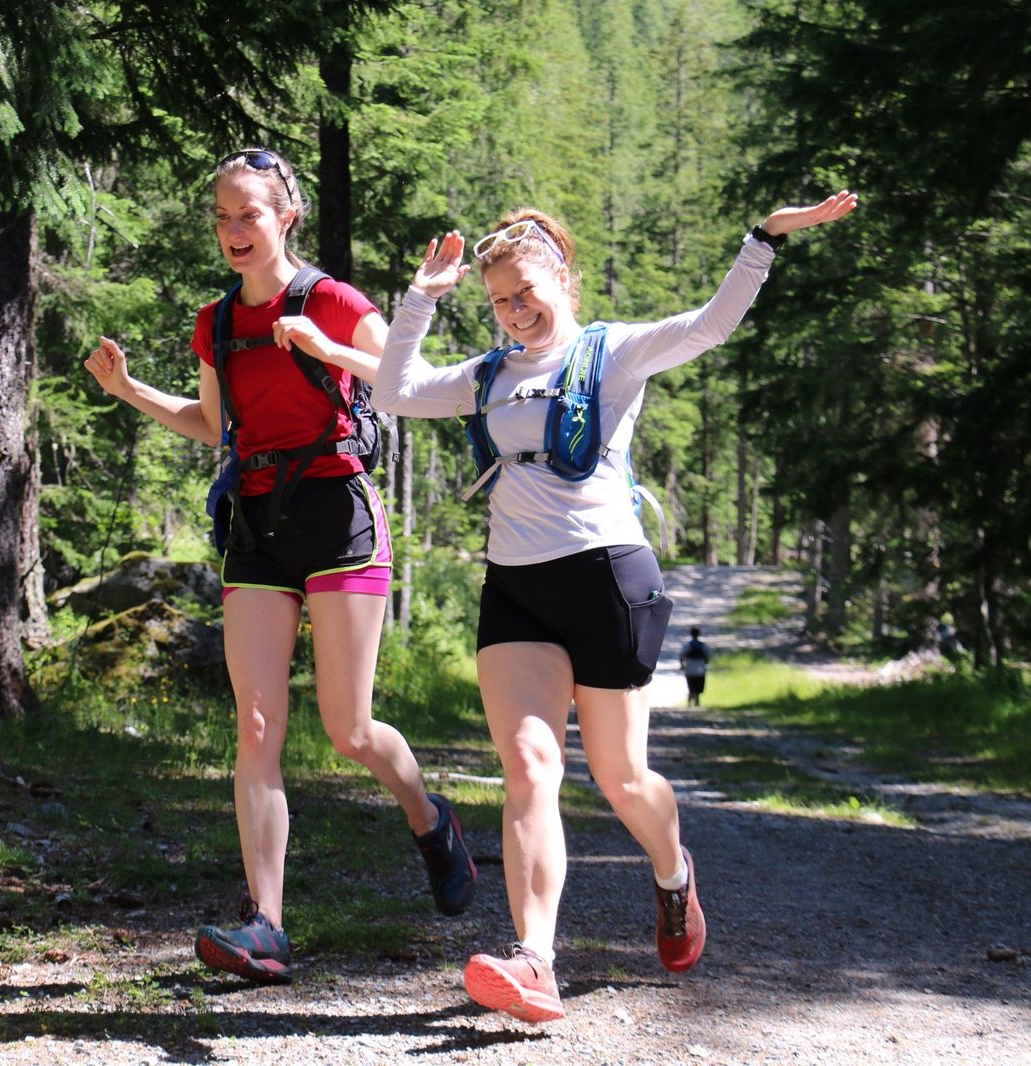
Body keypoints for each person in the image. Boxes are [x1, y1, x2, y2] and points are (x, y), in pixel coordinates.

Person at [374, 191, 858, 1022]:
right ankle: (535, 960)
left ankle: (673, 874)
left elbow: (709, 324)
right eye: (499, 301)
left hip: (607, 580)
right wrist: (422, 298)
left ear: (561, 276)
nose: (516, 311)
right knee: (528, 769)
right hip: (517, 592)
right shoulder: (487, 377)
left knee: (622, 778)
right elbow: (396, 390)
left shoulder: (616, 352)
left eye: (526, 291)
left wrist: (765, 239)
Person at [82, 147, 476, 984]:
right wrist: (129, 391)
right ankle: (266, 924)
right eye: (223, 216)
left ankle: (429, 818)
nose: (233, 230)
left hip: (339, 515)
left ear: (285, 216)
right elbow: (210, 421)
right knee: (256, 727)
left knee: (349, 730)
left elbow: (409, 384)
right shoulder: (215, 322)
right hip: (258, 521)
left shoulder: (330, 299)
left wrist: (328, 347)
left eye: (248, 214)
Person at [679, 625, 710, 707]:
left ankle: (689, 702)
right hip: (700, 668)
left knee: (691, 686)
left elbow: (682, 655)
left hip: (690, 667)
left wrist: (682, 665)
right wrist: (706, 662)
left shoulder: (687, 645)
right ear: (699, 634)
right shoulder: (703, 645)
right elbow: (707, 656)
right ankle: (697, 701)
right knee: (698, 686)